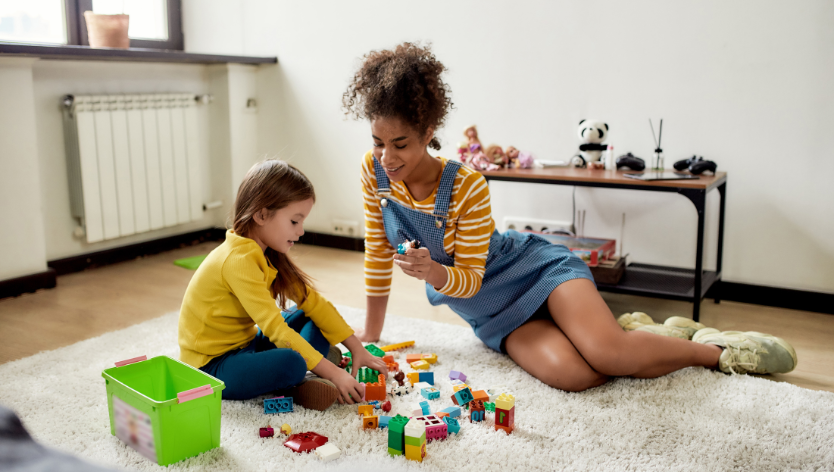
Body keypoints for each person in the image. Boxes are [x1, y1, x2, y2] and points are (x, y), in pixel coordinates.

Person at [342, 42, 797, 392]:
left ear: (427, 133)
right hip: (496, 316)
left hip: (532, 272)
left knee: (611, 356)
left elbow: (471, 278)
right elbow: (377, 253)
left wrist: (434, 272)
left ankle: (715, 350)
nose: (386, 156)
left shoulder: (466, 185)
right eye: (378, 141)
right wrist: (373, 333)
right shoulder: (373, 173)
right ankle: (635, 330)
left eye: (400, 144)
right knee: (582, 376)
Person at [178, 159, 387, 409]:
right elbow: (276, 330)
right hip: (211, 366)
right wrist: (335, 373)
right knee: (292, 362)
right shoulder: (237, 261)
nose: (300, 232)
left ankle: (308, 372)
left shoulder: (264, 251)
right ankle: (304, 378)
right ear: (262, 214)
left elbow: (314, 302)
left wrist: (357, 348)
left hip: (247, 345)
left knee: (312, 316)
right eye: (294, 222)